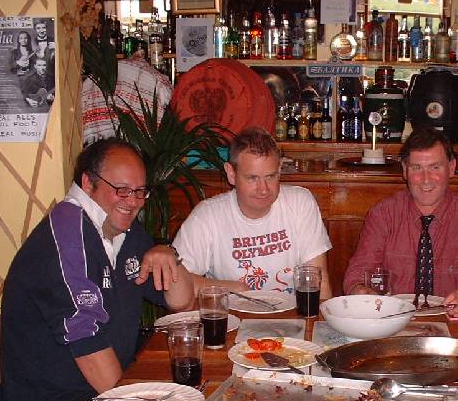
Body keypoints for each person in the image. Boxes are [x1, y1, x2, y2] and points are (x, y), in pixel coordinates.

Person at [1, 139, 195, 401]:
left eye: (140, 191)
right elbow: (88, 347)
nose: (133, 201)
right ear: (87, 183)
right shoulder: (67, 239)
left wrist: (167, 254)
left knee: (187, 400)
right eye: (121, 189)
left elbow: (180, 300)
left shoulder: (121, 229)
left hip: (96, 387)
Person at [143, 127, 333, 298]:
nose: (263, 189)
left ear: (279, 170)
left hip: (292, 320)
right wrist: (234, 288)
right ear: (231, 174)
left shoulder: (300, 202)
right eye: (252, 178)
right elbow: (176, 282)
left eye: (270, 176)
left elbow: (319, 280)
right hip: (231, 321)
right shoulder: (207, 215)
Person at [343, 127, 458, 317]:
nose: (425, 180)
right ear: (404, 170)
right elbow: (358, 273)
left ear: (451, 168)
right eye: (417, 168)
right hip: (393, 322)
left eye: (435, 167)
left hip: (452, 325)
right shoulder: (383, 214)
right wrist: (359, 290)